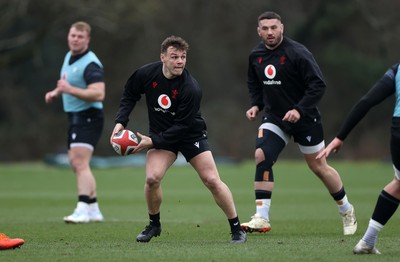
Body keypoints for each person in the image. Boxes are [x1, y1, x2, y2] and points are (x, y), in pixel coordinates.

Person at [111, 35, 246, 244]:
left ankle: (237, 228)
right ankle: (154, 224)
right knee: (152, 178)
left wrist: (152, 142)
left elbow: (182, 127)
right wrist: (121, 122)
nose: (180, 61)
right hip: (161, 136)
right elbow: (130, 94)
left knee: (212, 180)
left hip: (190, 135)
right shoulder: (146, 74)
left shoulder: (191, 88)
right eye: (174, 57)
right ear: (162, 57)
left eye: (183, 57)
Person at [240, 11, 357, 235]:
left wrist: (299, 109)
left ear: (282, 28)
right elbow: (254, 82)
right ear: (258, 31)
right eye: (265, 29)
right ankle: (262, 217)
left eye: (274, 27)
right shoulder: (256, 55)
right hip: (275, 117)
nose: (270, 32)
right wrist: (256, 104)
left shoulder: (297, 53)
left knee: (318, 167)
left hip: (306, 119)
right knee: (261, 155)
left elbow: (318, 85)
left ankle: (346, 209)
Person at [317, 63, 400, 254]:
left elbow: (367, 101)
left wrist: (340, 136)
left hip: (398, 131)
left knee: (398, 184)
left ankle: (367, 241)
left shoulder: (397, 70)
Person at [45, 21, 105, 224]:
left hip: (89, 116)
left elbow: (99, 93)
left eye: (80, 36)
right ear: (68, 36)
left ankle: (82, 209)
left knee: (80, 163)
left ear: (87, 39)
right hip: (75, 116)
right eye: (73, 35)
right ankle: (94, 208)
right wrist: (56, 92)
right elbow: (67, 82)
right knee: (76, 163)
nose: (75, 39)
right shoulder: (69, 56)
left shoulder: (91, 64)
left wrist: (70, 90)